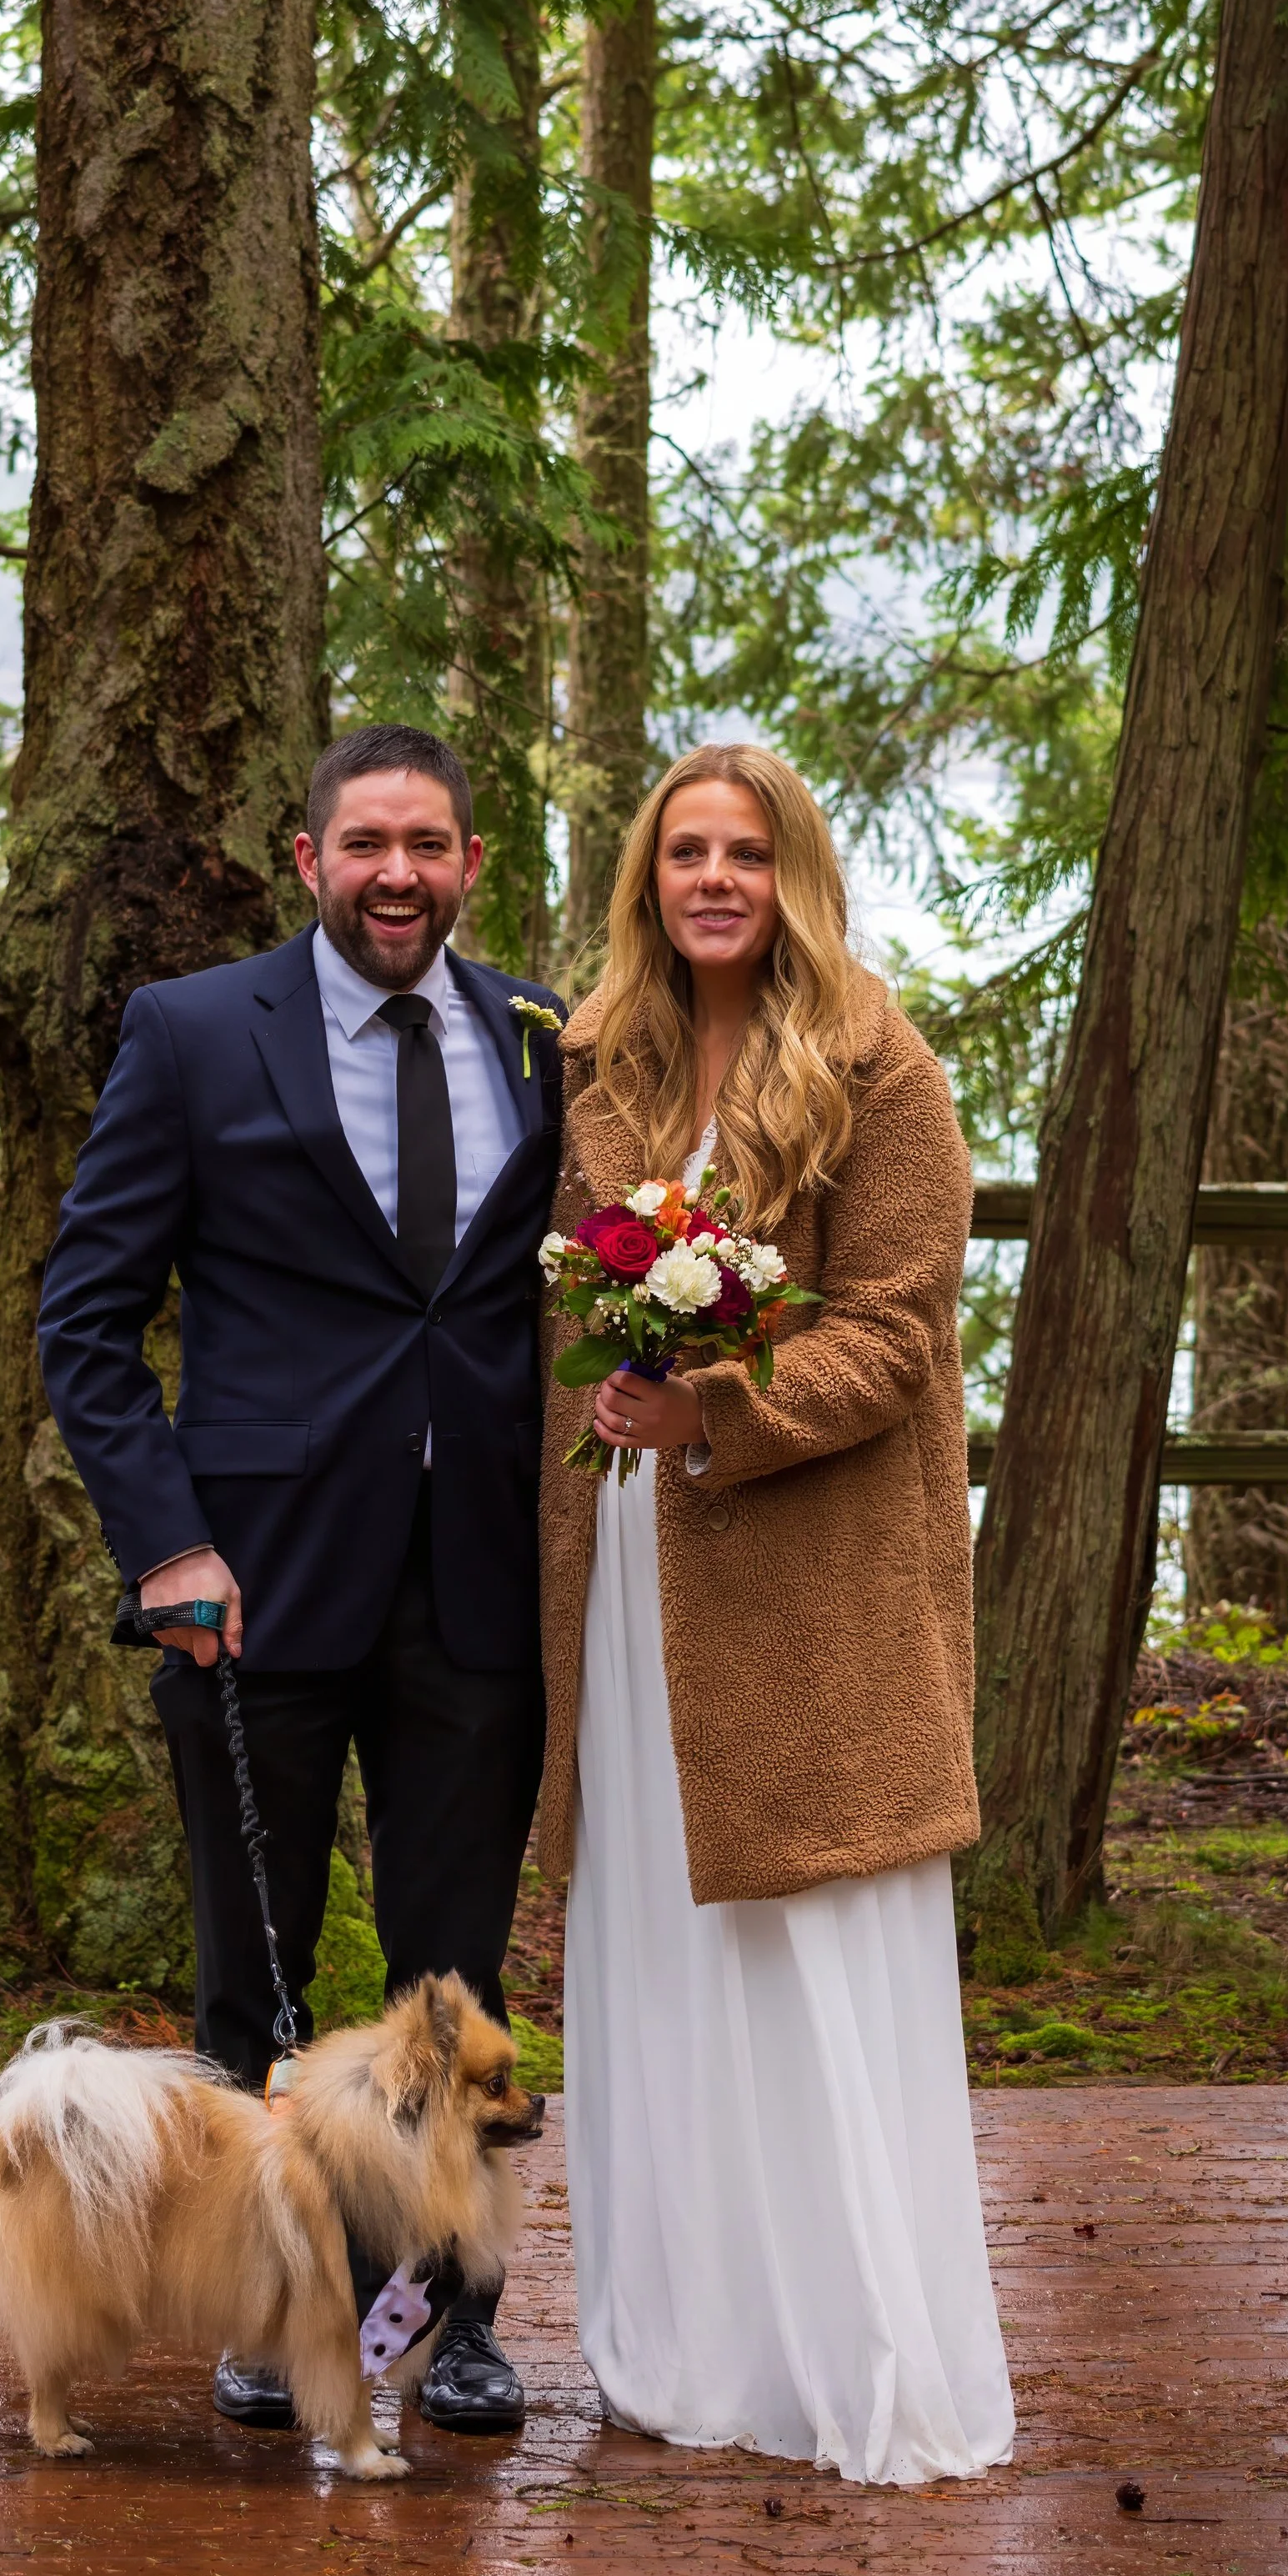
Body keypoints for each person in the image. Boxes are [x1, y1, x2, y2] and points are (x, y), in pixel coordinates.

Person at [37, 722, 562, 2437]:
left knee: (456, 1992)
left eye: (427, 844)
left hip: (478, 1580)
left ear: (470, 863)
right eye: (364, 844)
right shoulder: (191, 1035)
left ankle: (455, 2315)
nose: (395, 873)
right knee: (243, 1982)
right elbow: (86, 1321)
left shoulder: (540, 1042)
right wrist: (165, 1541)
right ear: (306, 857)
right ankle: (262, 2313)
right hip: (248, 1585)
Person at [535, 741, 1015, 2479]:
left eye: (745, 850)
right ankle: (689, 2344)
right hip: (629, 1567)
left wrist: (716, 1413)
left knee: (805, 1950)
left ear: (792, 869)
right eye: (685, 853)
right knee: (657, 1949)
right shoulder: (594, 1058)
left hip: (807, 1582)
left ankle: (852, 2353)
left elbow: (895, 1331)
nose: (714, 878)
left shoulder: (883, 1073)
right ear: (646, 881)